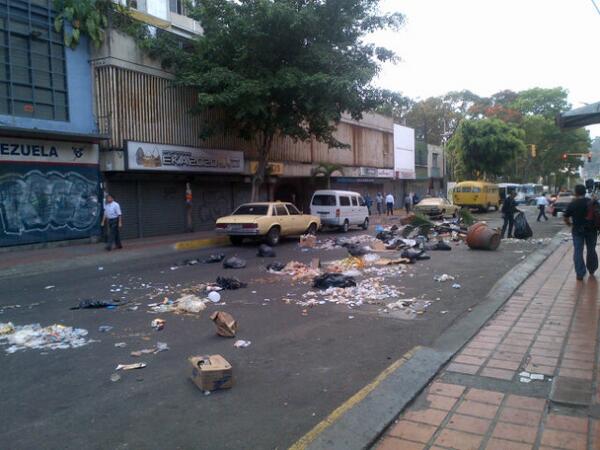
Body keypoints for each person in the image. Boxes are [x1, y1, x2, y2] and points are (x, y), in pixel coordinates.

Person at [564, 184, 598, 281]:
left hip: (577, 230)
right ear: (584, 191)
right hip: (592, 230)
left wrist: (569, 224)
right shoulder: (592, 202)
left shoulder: (573, 204)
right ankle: (592, 269)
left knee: (578, 251)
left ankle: (580, 273)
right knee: (591, 249)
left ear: (576, 192)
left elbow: (566, 217)